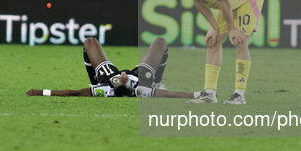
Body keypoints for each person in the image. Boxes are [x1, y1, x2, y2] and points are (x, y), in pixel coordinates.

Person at [169, 0, 265, 104]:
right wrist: (215, 27)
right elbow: (198, 1)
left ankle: (239, 95)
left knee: (240, 41)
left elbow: (224, 2)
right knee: (213, 41)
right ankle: (209, 93)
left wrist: (232, 29)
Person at [26, 37, 194, 98]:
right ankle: (156, 81)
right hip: (141, 77)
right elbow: (173, 94)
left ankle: (94, 81)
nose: (122, 74)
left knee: (90, 42)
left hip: (106, 77)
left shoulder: (105, 89)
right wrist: (198, 94)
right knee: (161, 42)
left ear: (115, 85)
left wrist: (41, 92)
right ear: (129, 84)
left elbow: (74, 92)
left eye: (120, 79)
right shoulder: (142, 91)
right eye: (124, 78)